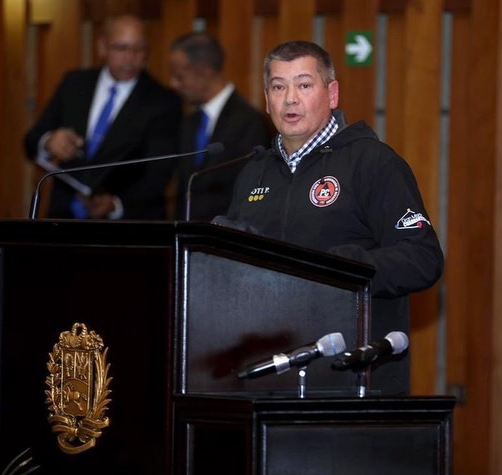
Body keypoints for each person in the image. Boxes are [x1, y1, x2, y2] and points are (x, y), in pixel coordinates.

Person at [222, 41, 444, 394]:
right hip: (270, 377)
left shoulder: (372, 162)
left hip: (352, 377)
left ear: (332, 93)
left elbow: (423, 258)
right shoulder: (253, 171)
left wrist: (342, 268)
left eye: (304, 85)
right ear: (266, 100)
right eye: (278, 87)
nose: (290, 99)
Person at [24, 14, 183, 220]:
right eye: (121, 48)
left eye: (139, 49)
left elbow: (159, 171)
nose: (130, 57)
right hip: (63, 217)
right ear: (102, 47)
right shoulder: (75, 84)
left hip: (126, 222)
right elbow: (31, 140)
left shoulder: (163, 101)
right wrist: (49, 142)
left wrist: (116, 204)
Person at [168, 32, 271, 221]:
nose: (173, 84)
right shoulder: (189, 121)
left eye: (179, 76)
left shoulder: (249, 122)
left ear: (203, 72)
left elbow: (248, 194)